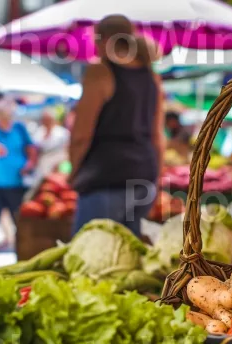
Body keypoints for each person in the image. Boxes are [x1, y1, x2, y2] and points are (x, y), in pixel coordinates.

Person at [69, 15, 164, 236]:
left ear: (104, 40)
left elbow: (81, 134)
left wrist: (74, 172)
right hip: (144, 179)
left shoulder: (99, 72)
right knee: (129, 261)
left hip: (107, 178)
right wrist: (157, 179)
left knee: (89, 258)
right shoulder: (151, 76)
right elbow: (157, 136)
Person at [0, 110, 37, 226]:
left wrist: (29, 165)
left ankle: (19, 243)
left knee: (18, 219)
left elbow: (31, 149)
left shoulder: (19, 128)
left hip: (16, 182)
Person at [27, 108, 70, 187]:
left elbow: (67, 151)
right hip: (41, 167)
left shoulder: (62, 133)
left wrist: (60, 165)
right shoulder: (38, 132)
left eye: (48, 119)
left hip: (57, 167)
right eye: (44, 119)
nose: (46, 121)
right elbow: (34, 149)